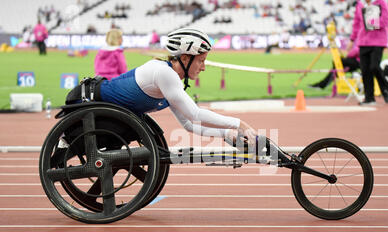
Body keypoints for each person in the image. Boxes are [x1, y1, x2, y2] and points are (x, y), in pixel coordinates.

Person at [71, 28, 257, 146]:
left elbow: (189, 126)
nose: (203, 67)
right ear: (184, 58)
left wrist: (226, 134)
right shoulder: (164, 74)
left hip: (108, 110)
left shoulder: (171, 80)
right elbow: (195, 115)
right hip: (86, 99)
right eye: (201, 61)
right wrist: (240, 124)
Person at [347, 0, 388, 105]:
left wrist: (371, 22)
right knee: (365, 71)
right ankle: (369, 98)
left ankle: (385, 88)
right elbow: (357, 23)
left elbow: (385, 21)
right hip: (363, 41)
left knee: (374, 67)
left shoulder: (381, 2)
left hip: (378, 41)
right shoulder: (360, 4)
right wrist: (352, 39)